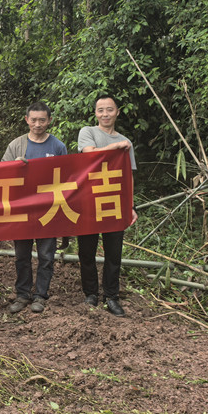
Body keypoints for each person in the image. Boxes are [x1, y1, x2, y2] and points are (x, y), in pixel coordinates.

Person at [2, 102, 68, 315]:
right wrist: (14, 167)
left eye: (42, 120)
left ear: (49, 121)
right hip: (23, 209)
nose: (37, 124)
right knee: (21, 255)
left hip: (48, 209)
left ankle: (41, 295)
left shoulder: (58, 147)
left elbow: (67, 177)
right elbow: (1, 174)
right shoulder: (16, 145)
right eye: (33, 120)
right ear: (26, 120)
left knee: (46, 255)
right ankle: (22, 294)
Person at [77, 94, 137, 317]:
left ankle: (111, 296)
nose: (105, 114)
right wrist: (116, 147)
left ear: (117, 112)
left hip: (114, 203)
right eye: (101, 110)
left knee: (114, 253)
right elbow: (89, 154)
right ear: (95, 113)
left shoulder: (126, 141)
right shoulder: (88, 132)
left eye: (109, 109)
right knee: (86, 251)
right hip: (88, 201)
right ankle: (90, 294)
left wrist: (130, 206)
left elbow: (129, 176)